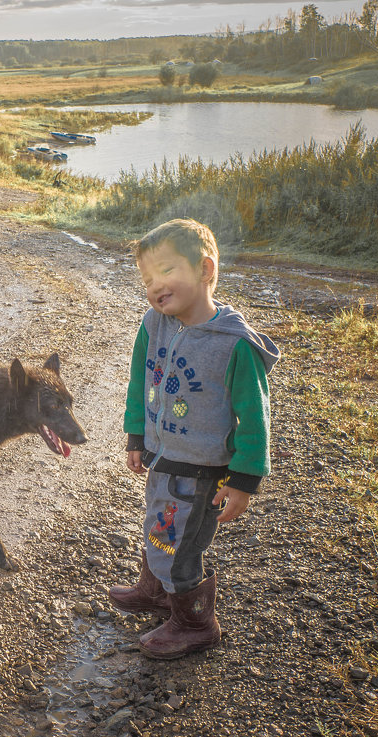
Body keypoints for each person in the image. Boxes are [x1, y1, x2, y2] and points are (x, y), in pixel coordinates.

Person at [108, 218, 280, 660]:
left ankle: (195, 623)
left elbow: (254, 418)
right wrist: (135, 434)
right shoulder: (154, 324)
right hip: (163, 455)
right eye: (147, 279)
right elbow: (138, 381)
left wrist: (243, 481)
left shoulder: (234, 345)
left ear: (205, 270)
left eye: (166, 272)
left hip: (203, 469)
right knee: (158, 525)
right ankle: (156, 590)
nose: (154, 286)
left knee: (182, 543)